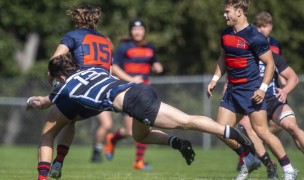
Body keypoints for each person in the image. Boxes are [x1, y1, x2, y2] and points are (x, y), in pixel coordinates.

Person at [27, 53, 255, 180]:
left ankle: (232, 132)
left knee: (186, 121)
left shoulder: (64, 87)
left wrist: (30, 101)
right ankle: (176, 142)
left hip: (133, 102)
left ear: (60, 76)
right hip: (137, 91)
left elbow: (42, 103)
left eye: (54, 77)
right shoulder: (93, 69)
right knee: (140, 135)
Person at [207, 0, 297, 180]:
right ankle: (248, 157)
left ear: (239, 12)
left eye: (227, 11)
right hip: (232, 92)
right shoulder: (225, 34)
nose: (224, 15)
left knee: (263, 132)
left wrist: (263, 89)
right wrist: (215, 78)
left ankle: (288, 169)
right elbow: (223, 57)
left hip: (251, 92)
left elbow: (270, 64)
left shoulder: (255, 37)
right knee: (220, 130)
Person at [36, 4, 115, 179]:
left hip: (78, 90)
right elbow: (110, 71)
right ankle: (58, 163)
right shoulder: (106, 41)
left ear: (77, 18)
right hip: (98, 97)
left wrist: (53, 80)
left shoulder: (73, 36)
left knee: (47, 134)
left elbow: (54, 61)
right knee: (69, 121)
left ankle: (42, 177)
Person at [103, 18, 163, 170]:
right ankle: (112, 139)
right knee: (130, 131)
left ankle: (138, 162)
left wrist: (157, 67)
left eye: (140, 29)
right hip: (128, 90)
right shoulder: (124, 47)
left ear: (144, 31)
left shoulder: (150, 47)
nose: (137, 31)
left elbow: (155, 64)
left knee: (145, 126)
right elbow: (114, 67)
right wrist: (131, 79)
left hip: (145, 91)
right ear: (130, 31)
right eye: (134, 29)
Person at [235, 10, 284, 172]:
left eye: (266, 26)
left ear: (271, 27)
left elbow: (277, 66)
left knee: (278, 127)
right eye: (259, 26)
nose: (262, 29)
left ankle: (282, 165)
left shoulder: (276, 45)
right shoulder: (250, 41)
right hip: (250, 90)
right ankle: (251, 157)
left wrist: (283, 85)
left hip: (270, 93)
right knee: (244, 125)